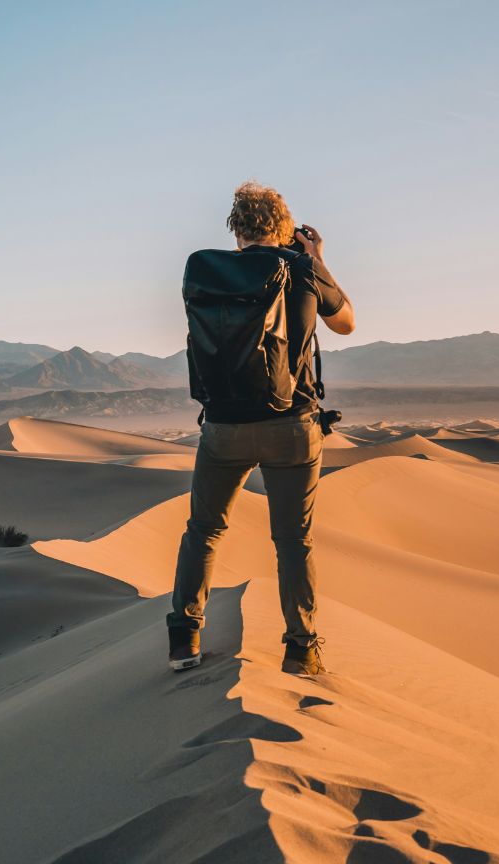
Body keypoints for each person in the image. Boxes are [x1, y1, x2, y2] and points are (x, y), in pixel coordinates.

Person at [166, 181, 354, 675]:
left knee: (203, 531)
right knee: (293, 539)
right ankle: (301, 648)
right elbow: (346, 323)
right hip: (290, 428)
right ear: (284, 226)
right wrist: (315, 256)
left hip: (222, 426)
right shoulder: (301, 267)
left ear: (236, 228)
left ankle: (183, 640)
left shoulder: (207, 271)